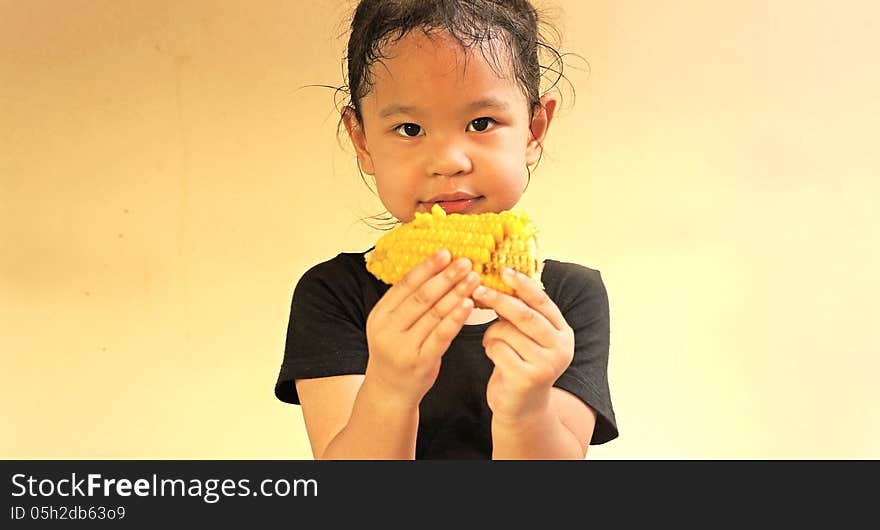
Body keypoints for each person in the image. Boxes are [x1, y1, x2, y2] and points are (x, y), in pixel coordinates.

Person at [274, 0, 617, 459]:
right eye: (410, 128)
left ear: (534, 130)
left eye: (481, 123)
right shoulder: (334, 294)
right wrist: (390, 391)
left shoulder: (568, 299)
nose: (448, 162)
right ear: (362, 141)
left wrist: (526, 410)